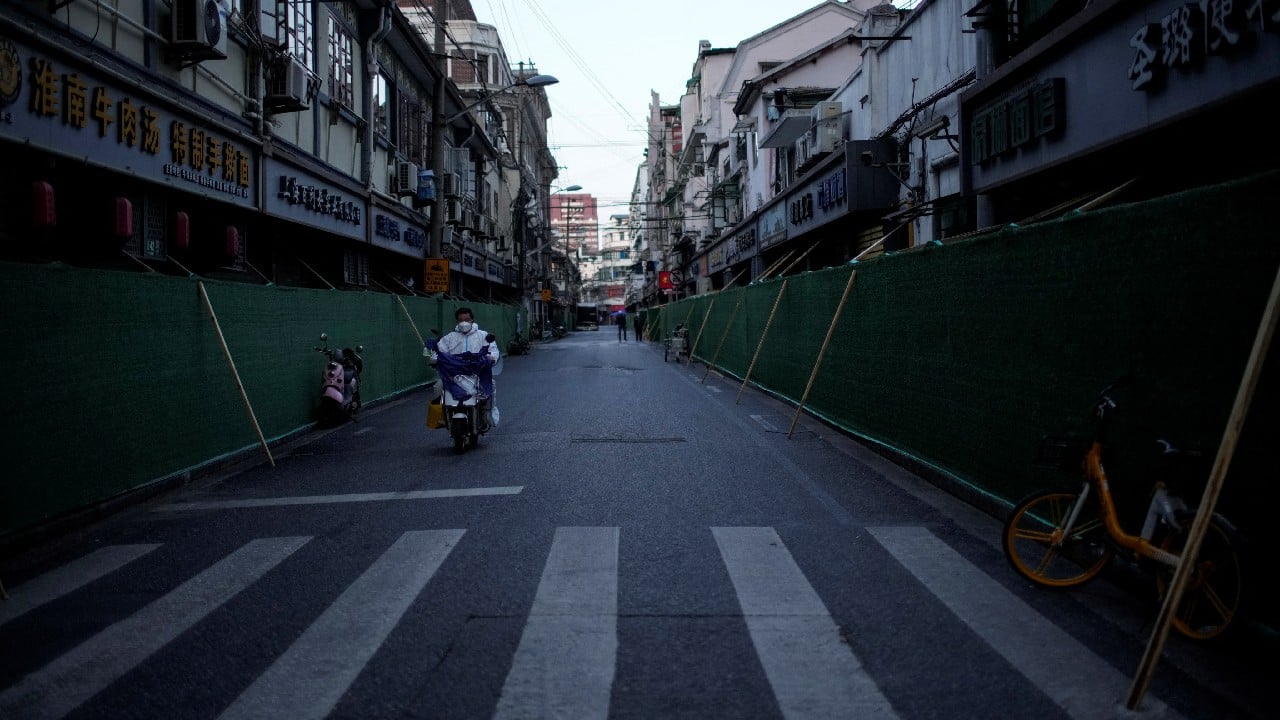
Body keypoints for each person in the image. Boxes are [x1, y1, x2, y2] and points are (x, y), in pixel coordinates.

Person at [428, 307, 500, 429]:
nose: (464, 322)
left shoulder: (483, 336)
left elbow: (493, 351)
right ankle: (441, 417)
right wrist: (433, 358)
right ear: (457, 322)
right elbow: (439, 352)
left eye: (467, 319)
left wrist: (491, 357)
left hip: (477, 374)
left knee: (490, 387)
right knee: (437, 387)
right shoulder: (449, 338)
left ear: (472, 320)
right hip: (453, 376)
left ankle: (487, 415)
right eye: (461, 320)